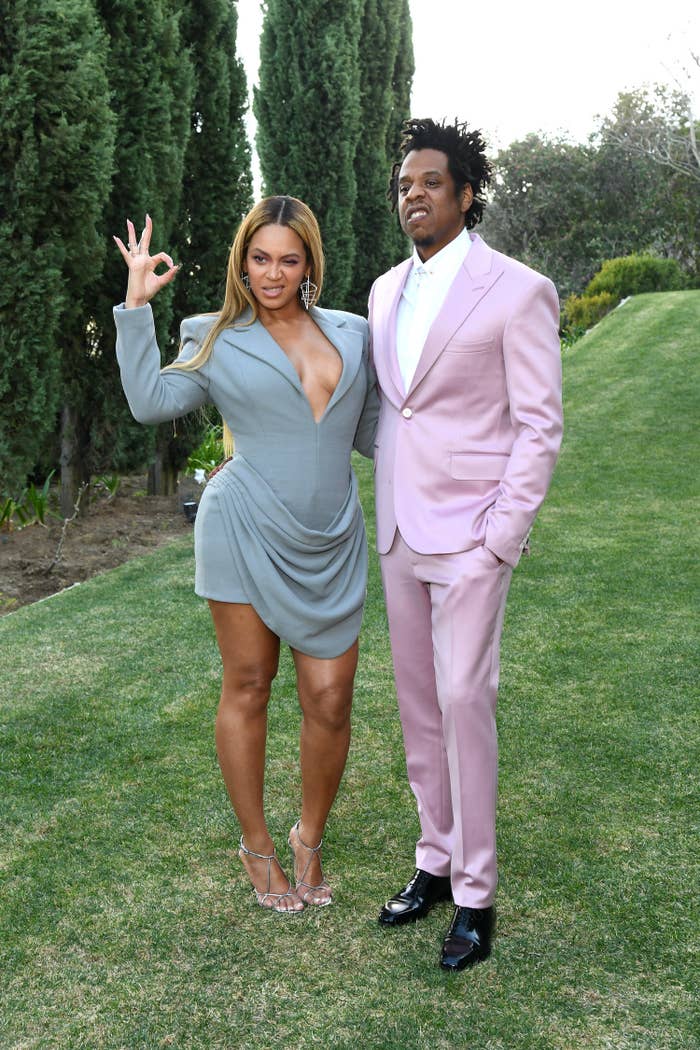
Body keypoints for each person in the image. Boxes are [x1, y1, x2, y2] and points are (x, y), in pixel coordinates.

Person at [113, 196, 378, 914]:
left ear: (310, 264)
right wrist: (136, 307)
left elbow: (381, 434)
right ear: (241, 259)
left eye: (289, 259)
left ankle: (309, 838)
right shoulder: (215, 337)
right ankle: (257, 846)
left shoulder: (355, 334)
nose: (272, 273)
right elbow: (148, 400)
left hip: (331, 537)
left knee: (330, 697)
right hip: (242, 527)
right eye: (260, 257)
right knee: (250, 685)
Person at [368, 118, 563, 969]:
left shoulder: (518, 289)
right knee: (418, 710)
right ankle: (435, 861)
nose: (414, 194)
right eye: (405, 184)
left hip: (472, 538)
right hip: (399, 531)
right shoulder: (383, 291)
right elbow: (392, 410)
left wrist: (500, 536)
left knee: (464, 702)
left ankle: (477, 896)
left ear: (466, 194)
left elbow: (540, 424)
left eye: (431, 183)